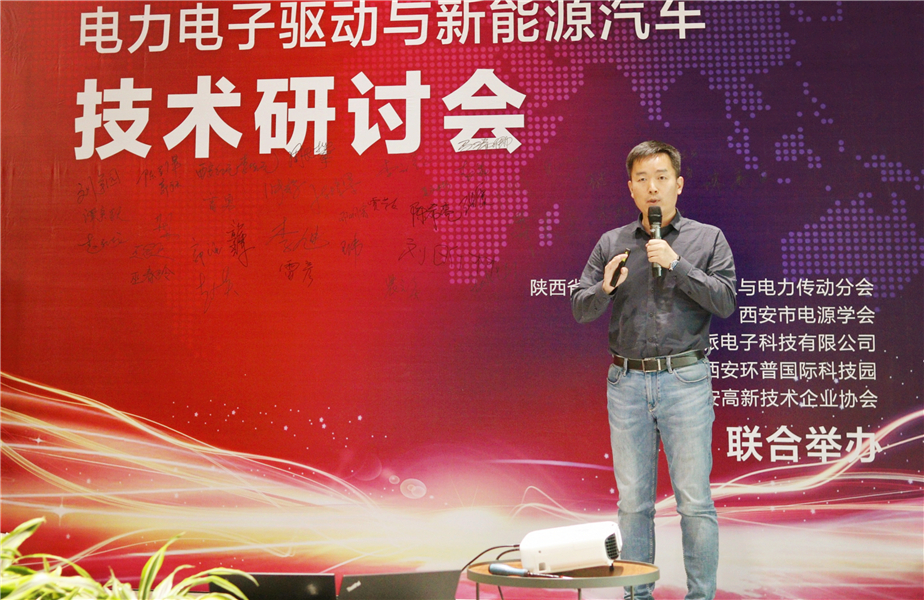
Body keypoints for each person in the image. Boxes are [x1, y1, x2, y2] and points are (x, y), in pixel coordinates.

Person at [570, 141, 736, 600]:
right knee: (633, 505)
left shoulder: (708, 239)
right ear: (631, 189)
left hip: (685, 380)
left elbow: (725, 301)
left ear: (678, 184)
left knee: (695, 502)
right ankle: (636, 595)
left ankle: (700, 596)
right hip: (626, 382)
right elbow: (580, 306)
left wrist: (677, 265)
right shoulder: (612, 244)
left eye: (661, 177)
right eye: (642, 179)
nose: (652, 187)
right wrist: (604, 289)